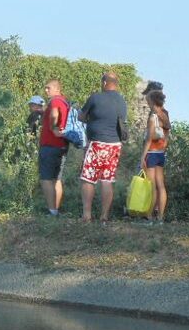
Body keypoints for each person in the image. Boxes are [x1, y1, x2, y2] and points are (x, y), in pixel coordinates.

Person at [78, 71, 128, 223]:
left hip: (97, 144)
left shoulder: (95, 97)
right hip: (114, 146)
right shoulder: (122, 101)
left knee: (88, 178)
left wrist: (91, 120)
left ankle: (87, 215)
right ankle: (104, 216)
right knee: (107, 179)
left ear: (105, 82)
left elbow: (81, 116)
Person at [39, 80, 70, 216]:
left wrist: (52, 127)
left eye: (48, 88)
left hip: (50, 145)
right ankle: (55, 209)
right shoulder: (65, 102)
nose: (46, 90)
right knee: (57, 179)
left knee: (46, 178)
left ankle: (52, 211)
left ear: (57, 89)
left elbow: (54, 114)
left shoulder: (55, 101)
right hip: (62, 145)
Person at [139, 89, 170, 223]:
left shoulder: (153, 117)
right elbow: (167, 137)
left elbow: (149, 139)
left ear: (152, 101)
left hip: (151, 153)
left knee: (151, 187)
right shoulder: (165, 115)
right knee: (161, 185)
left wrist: (143, 156)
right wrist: (163, 148)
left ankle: (150, 216)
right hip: (161, 154)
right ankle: (161, 217)